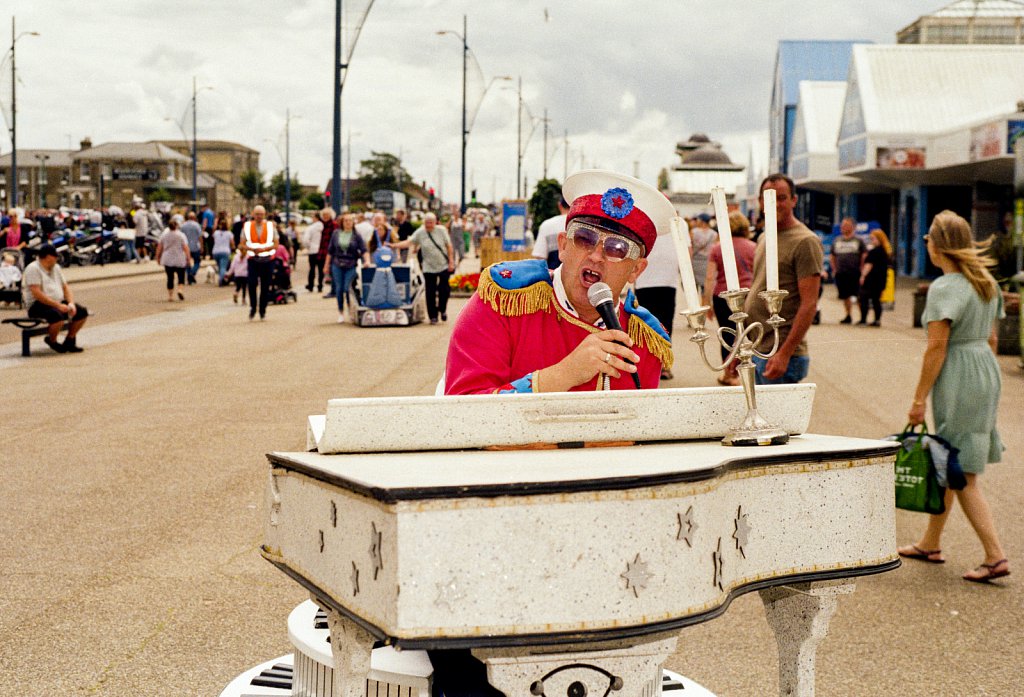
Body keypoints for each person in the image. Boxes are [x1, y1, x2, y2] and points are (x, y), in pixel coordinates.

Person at [446, 170, 674, 395]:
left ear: (636, 269)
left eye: (617, 248)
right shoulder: (502, 301)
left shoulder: (645, 341)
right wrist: (562, 375)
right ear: (563, 246)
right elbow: (462, 413)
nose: (596, 255)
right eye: (585, 238)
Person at [897, 210, 1009, 583]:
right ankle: (931, 542)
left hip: (959, 373)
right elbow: (992, 340)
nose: (925, 243)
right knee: (950, 460)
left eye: (929, 238)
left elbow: (936, 350)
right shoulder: (985, 282)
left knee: (962, 473)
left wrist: (917, 400)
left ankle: (995, 556)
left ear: (939, 244)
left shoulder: (944, 288)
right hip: (984, 370)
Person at [743, 173, 824, 385]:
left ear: (793, 200)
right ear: (759, 201)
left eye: (782, 198)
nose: (775, 204)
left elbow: (809, 304)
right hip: (758, 348)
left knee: (776, 418)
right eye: (768, 197)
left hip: (782, 353)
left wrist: (784, 354)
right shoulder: (764, 237)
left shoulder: (805, 241)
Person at [703, 210, 758, 386]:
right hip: (749, 296)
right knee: (748, 335)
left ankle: (730, 374)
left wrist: (706, 303)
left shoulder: (717, 248)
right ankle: (748, 370)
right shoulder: (753, 247)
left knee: (727, 335)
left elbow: (710, 277)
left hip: (722, 297)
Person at [21, 243, 89, 353]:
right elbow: (37, 293)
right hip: (38, 304)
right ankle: (52, 340)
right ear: (47, 257)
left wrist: (70, 303)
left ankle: (69, 340)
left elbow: (65, 287)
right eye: (54, 256)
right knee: (57, 317)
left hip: (57, 302)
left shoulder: (56, 267)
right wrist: (58, 306)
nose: (57, 258)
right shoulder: (33, 269)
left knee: (81, 312)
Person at [392, 213, 454, 324]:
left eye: (431, 223)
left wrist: (451, 261)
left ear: (435, 222)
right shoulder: (420, 232)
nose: (428, 225)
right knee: (430, 291)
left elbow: (449, 246)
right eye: (426, 223)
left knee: (444, 289)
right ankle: (433, 316)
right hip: (428, 266)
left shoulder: (441, 230)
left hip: (443, 264)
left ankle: (442, 309)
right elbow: (409, 242)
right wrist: (394, 246)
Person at [326, 213, 370, 323]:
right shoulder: (336, 234)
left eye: (350, 221)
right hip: (337, 263)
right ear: (342, 222)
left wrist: (367, 261)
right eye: (346, 221)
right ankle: (341, 312)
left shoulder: (356, 235)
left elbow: (364, 249)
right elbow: (330, 251)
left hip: (351, 263)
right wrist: (326, 265)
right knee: (339, 288)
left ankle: (351, 309)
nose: (348, 223)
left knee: (347, 288)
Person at [243, 205, 278, 320]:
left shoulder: (270, 227)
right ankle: (253, 307)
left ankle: (263, 310)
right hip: (253, 259)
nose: (259, 217)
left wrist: (264, 249)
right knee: (252, 284)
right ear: (253, 214)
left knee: (265, 286)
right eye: (257, 214)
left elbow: (276, 244)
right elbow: (241, 244)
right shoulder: (247, 227)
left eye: (261, 214)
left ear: (264, 215)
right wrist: (251, 249)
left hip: (268, 260)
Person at [830, 217, 866, 324]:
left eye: (846, 225)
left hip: (855, 273)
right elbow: (833, 256)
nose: (843, 227)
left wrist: (862, 269)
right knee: (845, 296)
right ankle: (848, 316)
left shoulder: (858, 240)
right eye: (842, 225)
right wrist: (834, 269)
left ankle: (862, 317)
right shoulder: (837, 240)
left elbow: (864, 255)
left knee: (859, 295)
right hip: (841, 273)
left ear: (852, 227)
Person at [857, 229, 891, 326]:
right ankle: (877, 320)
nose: (872, 241)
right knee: (876, 300)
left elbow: (868, 265)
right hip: (881, 279)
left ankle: (863, 319)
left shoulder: (873, 252)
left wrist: (863, 276)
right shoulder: (885, 251)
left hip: (871, 279)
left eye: (873, 239)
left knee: (863, 298)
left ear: (879, 239)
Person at [155, 219, 191, 302]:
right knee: (181, 276)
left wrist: (158, 257)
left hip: (167, 258)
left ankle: (170, 296)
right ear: (177, 226)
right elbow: (185, 248)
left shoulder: (164, 235)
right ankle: (180, 290)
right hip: (179, 258)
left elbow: (159, 247)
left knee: (170, 277)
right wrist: (188, 258)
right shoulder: (181, 235)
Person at [532, 196, 569, 270]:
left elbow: (540, 258)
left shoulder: (547, 225)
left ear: (559, 205)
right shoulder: (584, 225)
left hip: (553, 278)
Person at [690, 213, 717, 295]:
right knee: (705, 286)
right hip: (708, 261)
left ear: (702, 221)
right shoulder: (714, 234)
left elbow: (690, 246)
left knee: (694, 286)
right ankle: (704, 302)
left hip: (695, 261)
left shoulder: (693, 232)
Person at [301, 210, 327, 293]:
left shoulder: (311, 228)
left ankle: (311, 285)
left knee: (312, 269)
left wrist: (309, 246)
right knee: (321, 269)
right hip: (322, 250)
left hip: (313, 250)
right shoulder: (324, 227)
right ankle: (320, 285)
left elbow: (305, 240)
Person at [181, 212, 204, 285]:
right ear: (194, 218)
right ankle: (192, 273)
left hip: (186, 247)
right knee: (197, 261)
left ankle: (189, 276)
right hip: (195, 247)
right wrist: (202, 247)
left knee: (187, 262)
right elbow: (200, 237)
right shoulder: (197, 225)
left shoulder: (183, 226)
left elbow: (181, 237)